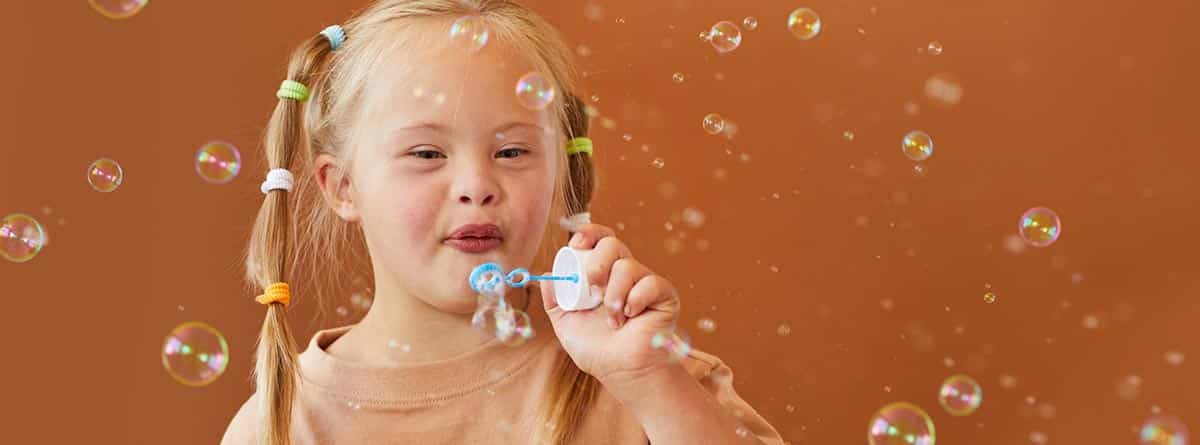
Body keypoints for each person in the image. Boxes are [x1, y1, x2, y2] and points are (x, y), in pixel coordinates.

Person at [221, 1, 785, 443]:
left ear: (561, 171)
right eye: (426, 153)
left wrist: (647, 380)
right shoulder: (280, 424)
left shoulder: (648, 376)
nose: (477, 185)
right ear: (343, 186)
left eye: (512, 151)